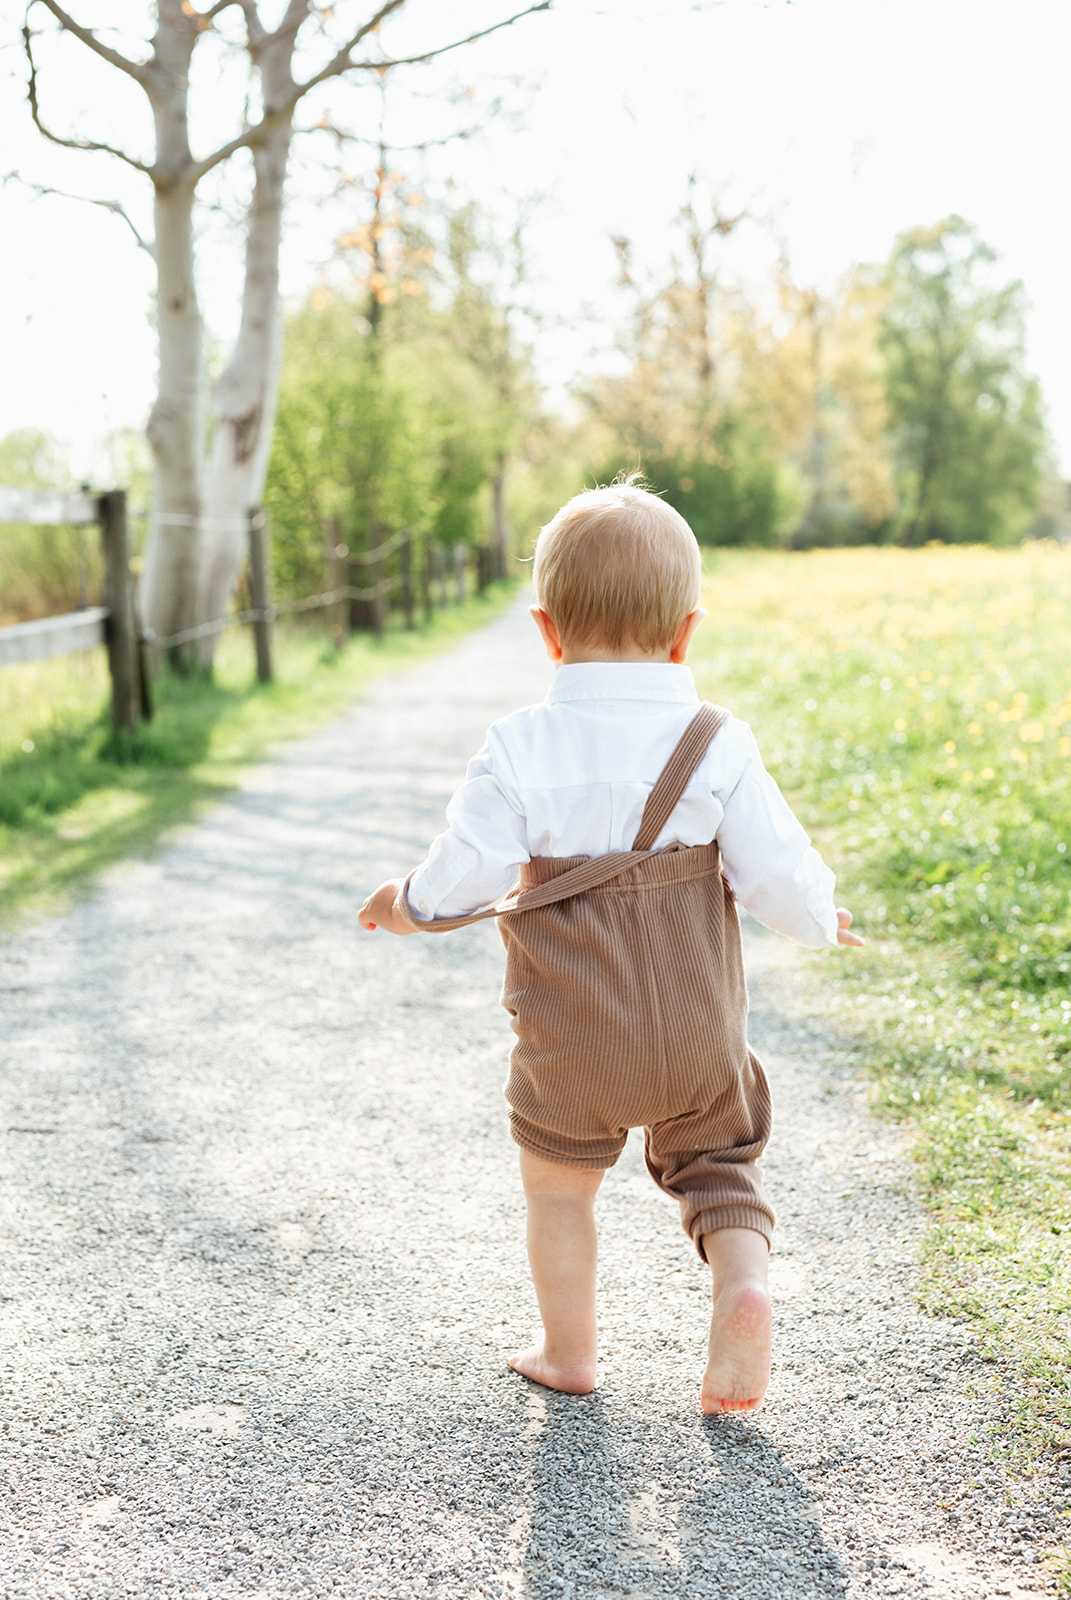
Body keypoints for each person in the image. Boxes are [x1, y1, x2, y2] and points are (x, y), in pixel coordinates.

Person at [359, 478, 862, 1413]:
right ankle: (741, 1286)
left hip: (570, 1041)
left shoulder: (517, 746)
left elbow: (463, 874)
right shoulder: (716, 742)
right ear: (686, 633)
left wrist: (406, 906)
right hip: (695, 1034)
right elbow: (777, 869)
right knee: (720, 1165)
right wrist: (819, 917)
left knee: (558, 1193)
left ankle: (569, 1354)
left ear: (547, 632)